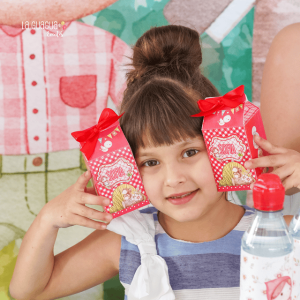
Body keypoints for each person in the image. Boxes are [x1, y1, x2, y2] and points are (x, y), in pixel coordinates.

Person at [9, 25, 300, 300]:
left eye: (189, 153)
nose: (174, 178)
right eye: (149, 162)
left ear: (225, 145)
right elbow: (31, 290)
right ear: (127, 169)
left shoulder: (279, 236)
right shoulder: (129, 242)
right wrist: (47, 220)